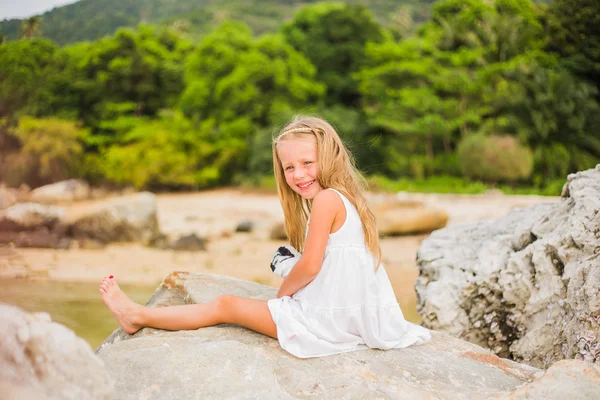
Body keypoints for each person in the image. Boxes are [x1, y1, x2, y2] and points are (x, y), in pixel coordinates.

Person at [99, 116, 431, 358]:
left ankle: (137, 316)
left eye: (307, 163)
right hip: (345, 316)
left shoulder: (327, 200)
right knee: (252, 291)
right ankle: (138, 315)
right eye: (289, 167)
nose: (298, 174)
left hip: (327, 322)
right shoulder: (344, 198)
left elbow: (313, 266)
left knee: (225, 305)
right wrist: (292, 268)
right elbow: (332, 265)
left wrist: (283, 295)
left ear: (328, 158)